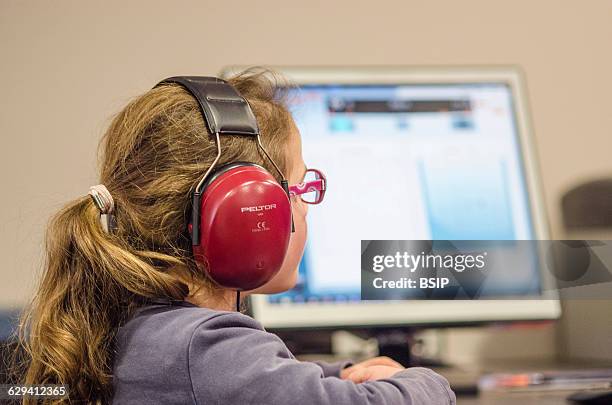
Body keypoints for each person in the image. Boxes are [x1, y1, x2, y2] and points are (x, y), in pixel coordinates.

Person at [13, 68, 456, 404]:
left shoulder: (144, 330)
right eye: (299, 189)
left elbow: (267, 381)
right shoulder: (204, 346)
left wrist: (341, 373)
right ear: (248, 215)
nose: (305, 205)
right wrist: (424, 381)